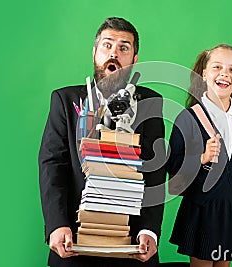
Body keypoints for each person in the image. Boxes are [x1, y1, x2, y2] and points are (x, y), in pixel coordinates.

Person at [39, 17, 166, 267]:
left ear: (135, 59)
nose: (114, 54)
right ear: (95, 52)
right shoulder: (64, 100)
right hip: (73, 239)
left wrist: (149, 230)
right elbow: (52, 165)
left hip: (132, 242)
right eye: (107, 45)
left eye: (124, 48)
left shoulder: (151, 103)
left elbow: (155, 168)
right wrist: (57, 224)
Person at [166, 44, 232, 267]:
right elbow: (173, 165)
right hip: (203, 208)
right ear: (204, 74)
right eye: (217, 67)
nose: (224, 74)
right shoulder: (188, 117)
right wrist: (202, 158)